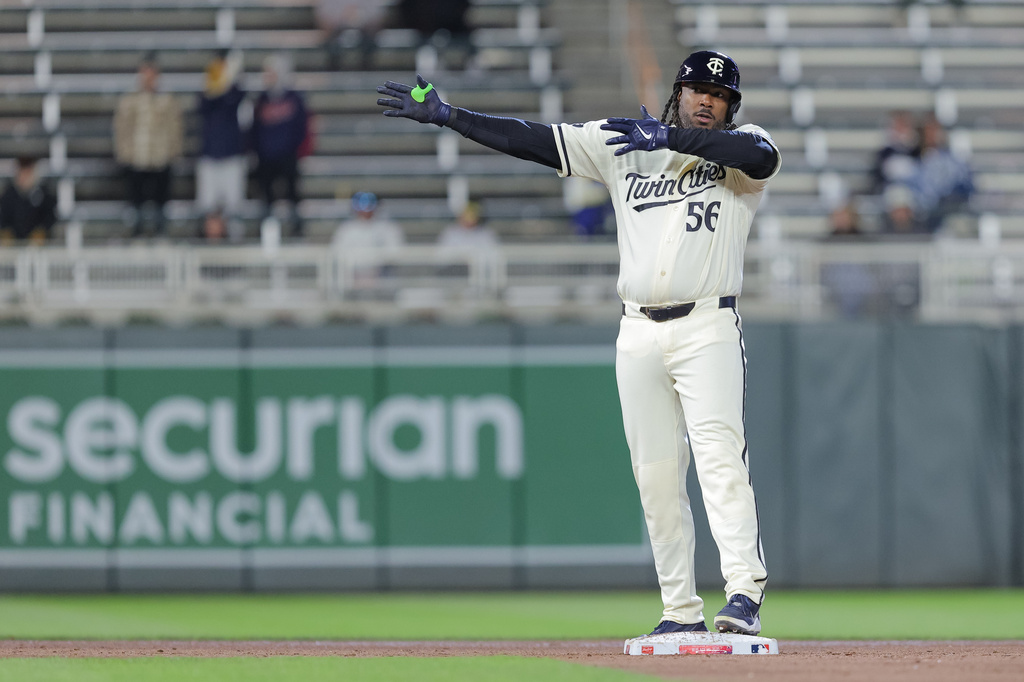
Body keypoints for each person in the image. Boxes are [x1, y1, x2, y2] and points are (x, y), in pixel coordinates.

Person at [378, 50, 779, 637]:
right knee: (655, 475)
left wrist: (665, 134)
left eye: (717, 96)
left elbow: (760, 157)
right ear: (678, 91)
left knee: (721, 461)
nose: (705, 100)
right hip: (638, 329)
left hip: (707, 326)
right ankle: (679, 610)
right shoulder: (625, 145)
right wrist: (451, 116)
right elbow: (535, 140)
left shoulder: (740, 149)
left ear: (730, 106)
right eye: (696, 89)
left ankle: (742, 593)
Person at [113, 53, 183, 237]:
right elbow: (122, 128)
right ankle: (137, 233)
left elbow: (175, 128)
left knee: (161, 201)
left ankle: (161, 233)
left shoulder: (167, 100)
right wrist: (124, 153)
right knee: (136, 201)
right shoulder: (130, 100)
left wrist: (173, 153)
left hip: (161, 158)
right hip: (137, 157)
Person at [251, 53, 309, 237]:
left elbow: (301, 126)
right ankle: (267, 229)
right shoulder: (261, 99)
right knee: (266, 195)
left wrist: (295, 148)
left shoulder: (294, 98)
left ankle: (296, 227)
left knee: (292, 192)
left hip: (287, 154)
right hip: (266, 156)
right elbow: (255, 128)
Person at [196, 50, 248, 242]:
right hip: (210, 156)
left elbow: (236, 98)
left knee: (233, 206)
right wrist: (216, 83)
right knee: (207, 205)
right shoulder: (208, 86)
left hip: (231, 156)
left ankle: (234, 243)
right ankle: (207, 242)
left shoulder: (234, 89)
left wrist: (229, 80)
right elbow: (203, 105)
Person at [908, 115, 973, 233]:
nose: (933, 135)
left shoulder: (953, 160)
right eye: (929, 131)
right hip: (921, 215)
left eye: (936, 131)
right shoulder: (912, 159)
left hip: (948, 211)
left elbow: (966, 184)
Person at [0, 156, 57, 245]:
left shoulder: (44, 194)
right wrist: (6, 233)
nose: (23, 177)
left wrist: (42, 231)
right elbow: (4, 219)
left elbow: (50, 217)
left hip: (39, 246)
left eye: (27, 173)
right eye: (21, 172)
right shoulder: (9, 195)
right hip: (14, 243)